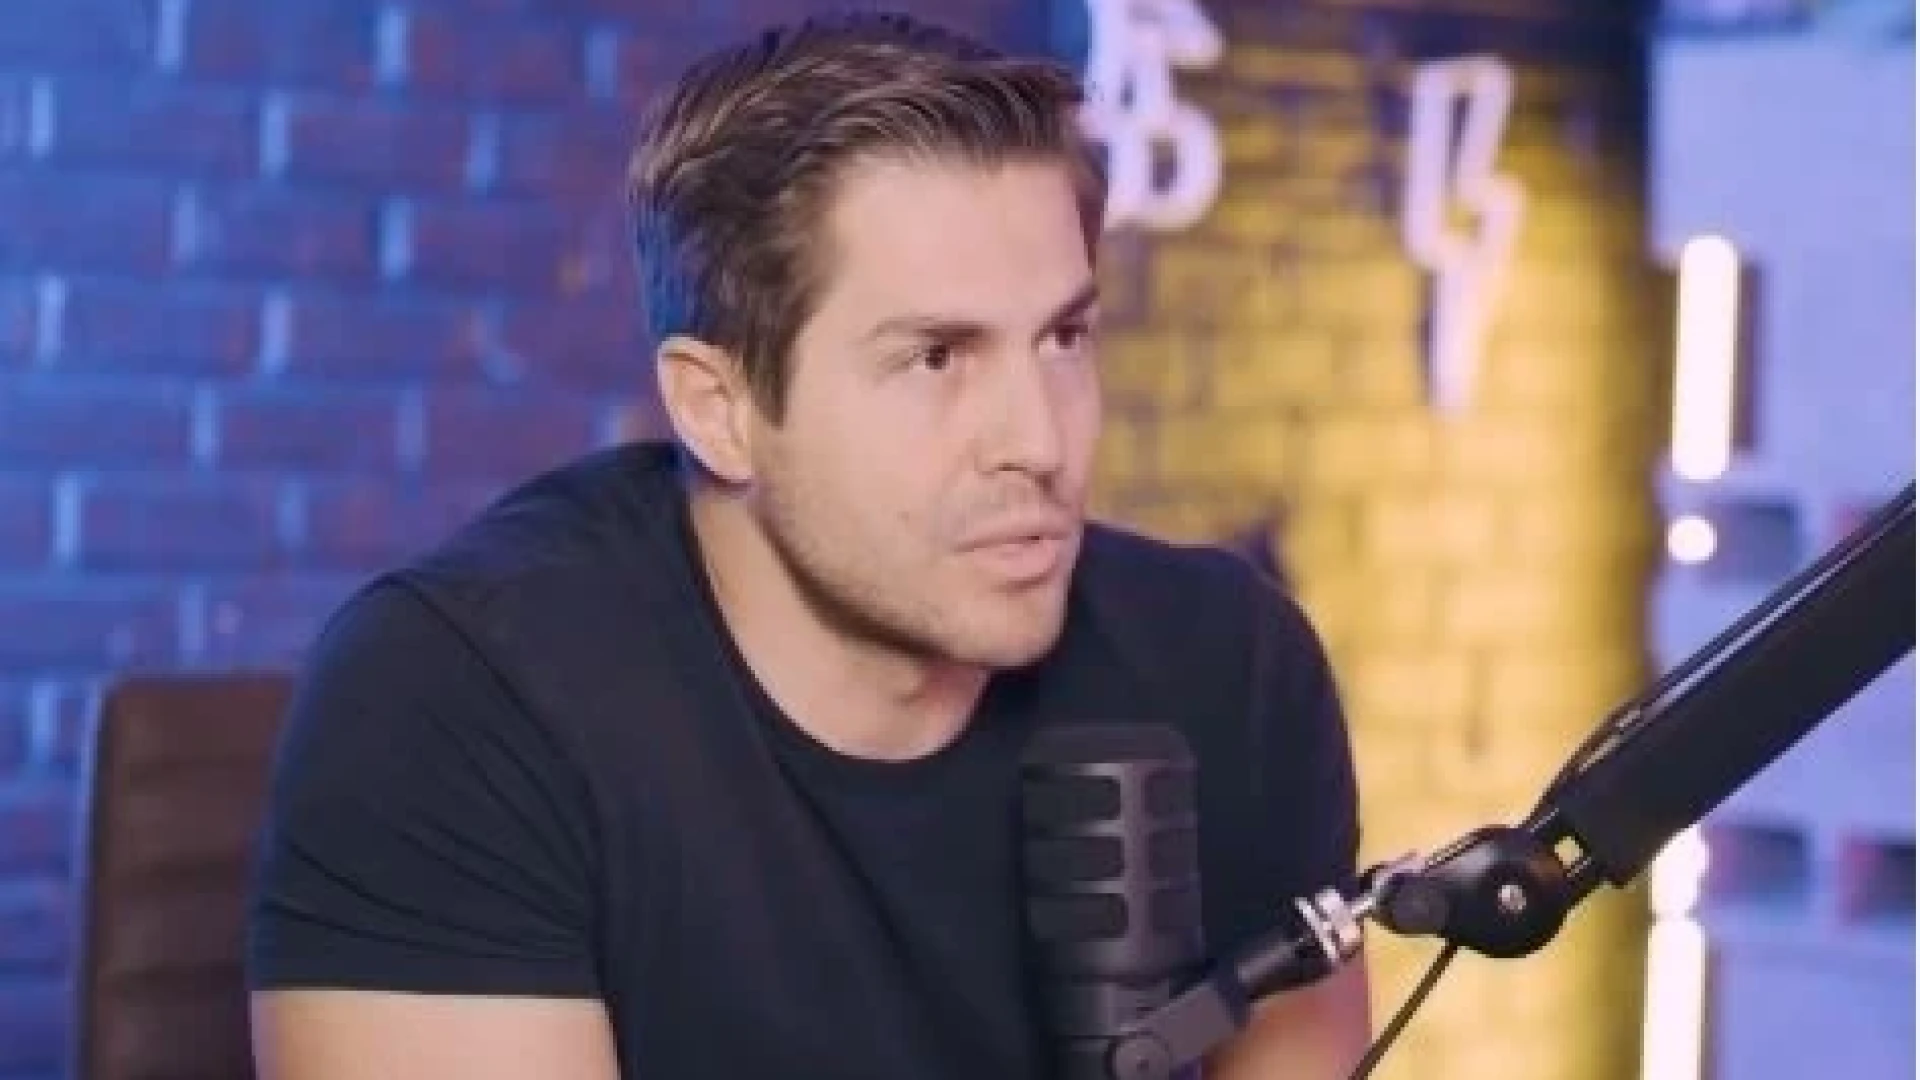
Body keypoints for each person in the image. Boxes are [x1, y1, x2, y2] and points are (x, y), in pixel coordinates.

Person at [244, 10, 1370, 1078]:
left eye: (1064, 337)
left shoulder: (1223, 667)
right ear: (718, 407)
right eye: (936, 357)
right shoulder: (463, 698)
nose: (1039, 441)